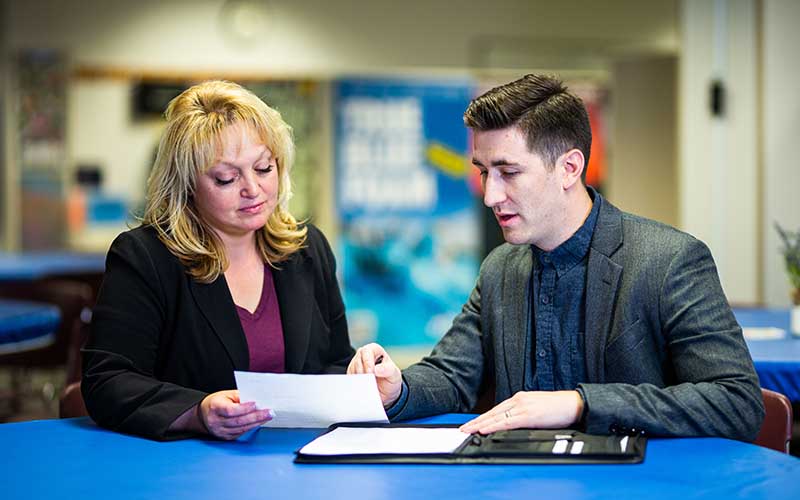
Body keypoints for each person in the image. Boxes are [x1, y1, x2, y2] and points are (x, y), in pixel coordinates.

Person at [348, 74, 765, 440]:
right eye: (482, 172)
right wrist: (397, 388)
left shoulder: (670, 260)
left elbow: (736, 402)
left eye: (509, 173)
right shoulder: (500, 269)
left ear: (569, 168)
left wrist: (581, 404)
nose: (491, 195)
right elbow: (453, 374)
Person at [82, 81, 354, 441]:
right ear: (186, 184)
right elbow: (108, 380)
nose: (253, 190)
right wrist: (198, 412)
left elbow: (334, 362)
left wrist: (362, 375)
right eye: (226, 178)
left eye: (263, 168)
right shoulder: (145, 257)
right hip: (187, 470)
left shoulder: (307, 249)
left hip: (296, 460)